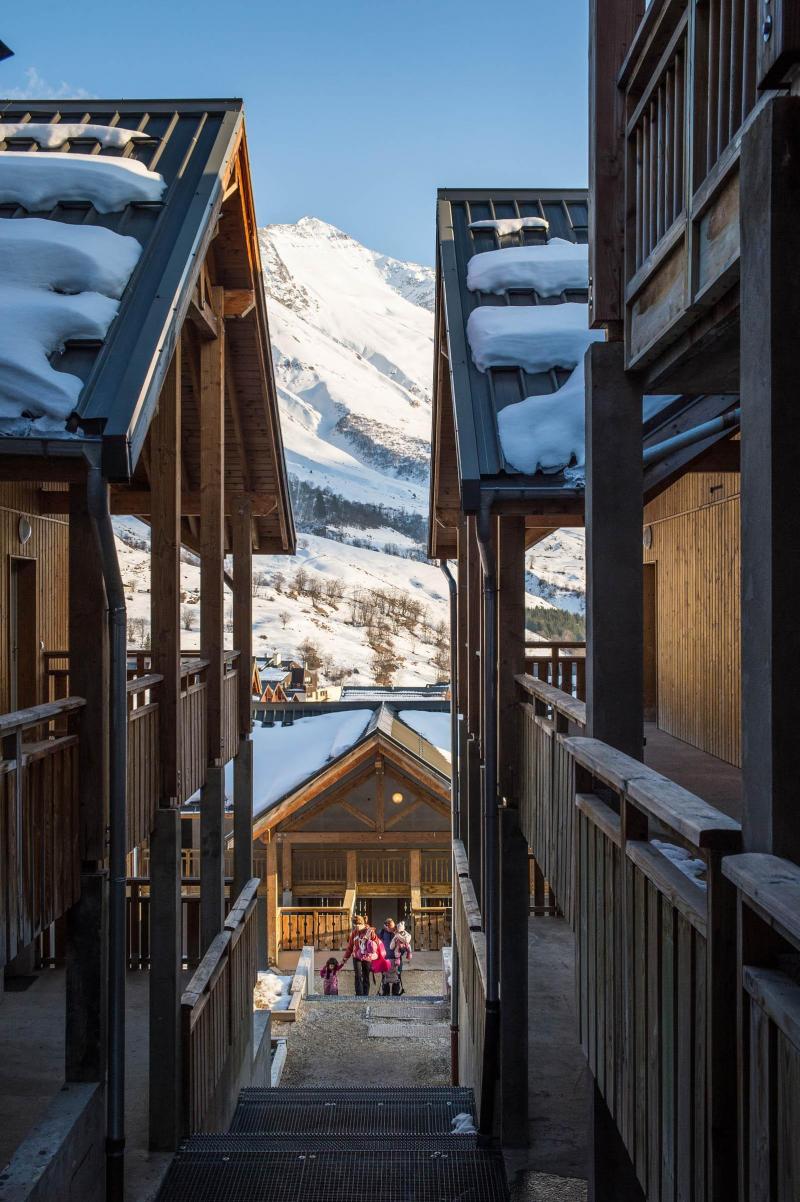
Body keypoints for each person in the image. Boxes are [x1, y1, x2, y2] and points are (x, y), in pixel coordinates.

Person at [341, 915, 378, 996]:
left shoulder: (370, 931)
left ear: (363, 923)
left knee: (366, 976)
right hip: (356, 956)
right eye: (355, 925)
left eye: (358, 925)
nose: (357, 927)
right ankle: (359, 995)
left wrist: (370, 943)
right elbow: (350, 947)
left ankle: (365, 994)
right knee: (358, 975)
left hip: (367, 957)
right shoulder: (354, 933)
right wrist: (345, 958)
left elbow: (376, 942)